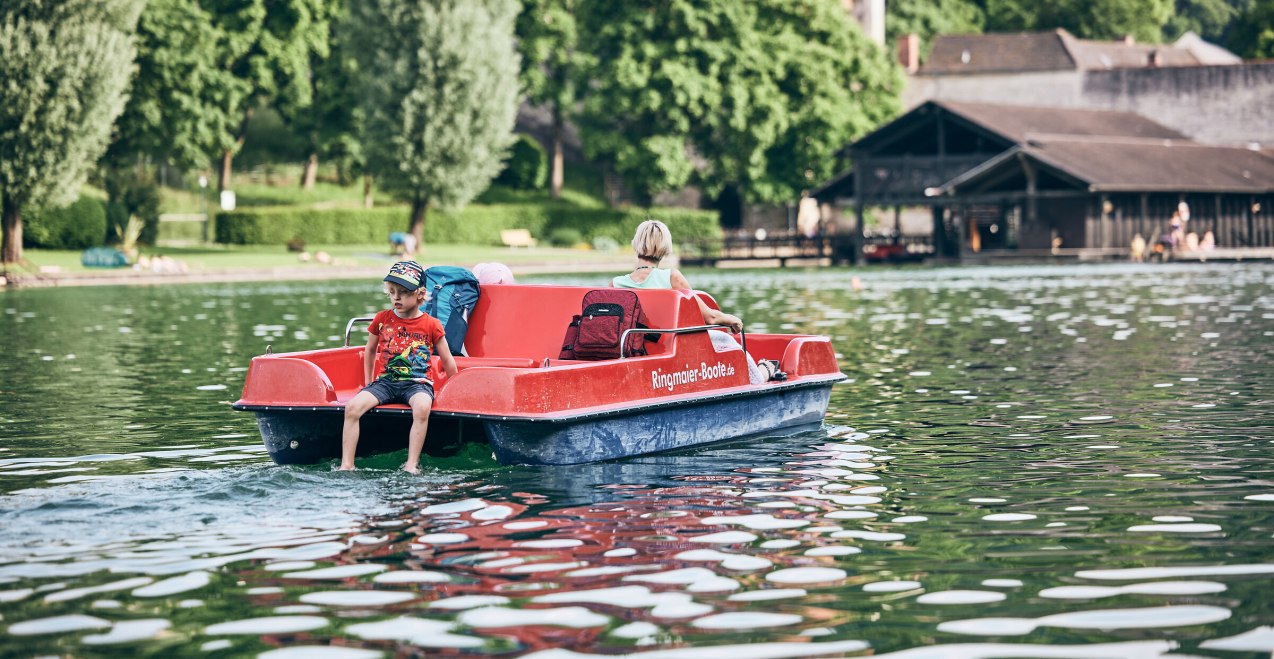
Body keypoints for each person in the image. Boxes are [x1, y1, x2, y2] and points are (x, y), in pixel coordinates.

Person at [612, 219, 782, 383]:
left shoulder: (616, 283)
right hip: (671, 345)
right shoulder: (672, 277)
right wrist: (733, 320)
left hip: (635, 346)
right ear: (665, 247)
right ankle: (763, 372)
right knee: (728, 340)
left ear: (636, 244)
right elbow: (711, 318)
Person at [340, 261, 458, 473]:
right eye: (392, 292)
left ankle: (411, 464)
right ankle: (347, 464)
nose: (396, 297)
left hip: (417, 384)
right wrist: (368, 383)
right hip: (386, 382)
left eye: (403, 292)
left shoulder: (432, 324)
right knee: (351, 408)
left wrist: (456, 389)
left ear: (420, 294)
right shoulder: (382, 319)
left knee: (422, 407)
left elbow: (448, 359)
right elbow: (369, 350)